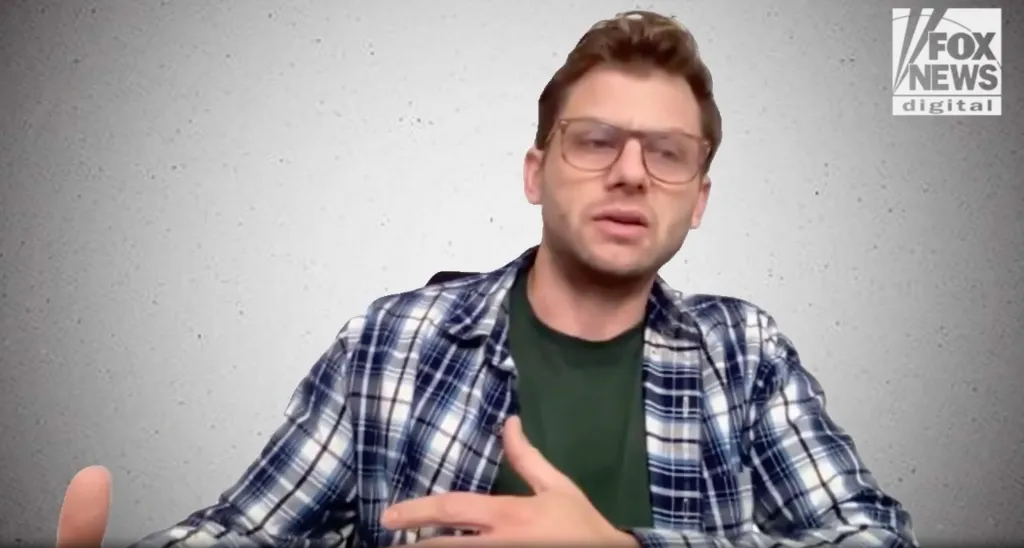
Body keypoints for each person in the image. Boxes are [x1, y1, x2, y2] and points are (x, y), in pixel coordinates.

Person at [55, 10, 917, 548]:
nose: (630, 173)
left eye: (667, 154)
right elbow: (252, 531)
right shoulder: (393, 342)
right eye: (595, 141)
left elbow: (870, 538)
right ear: (535, 174)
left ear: (697, 200)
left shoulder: (747, 351)